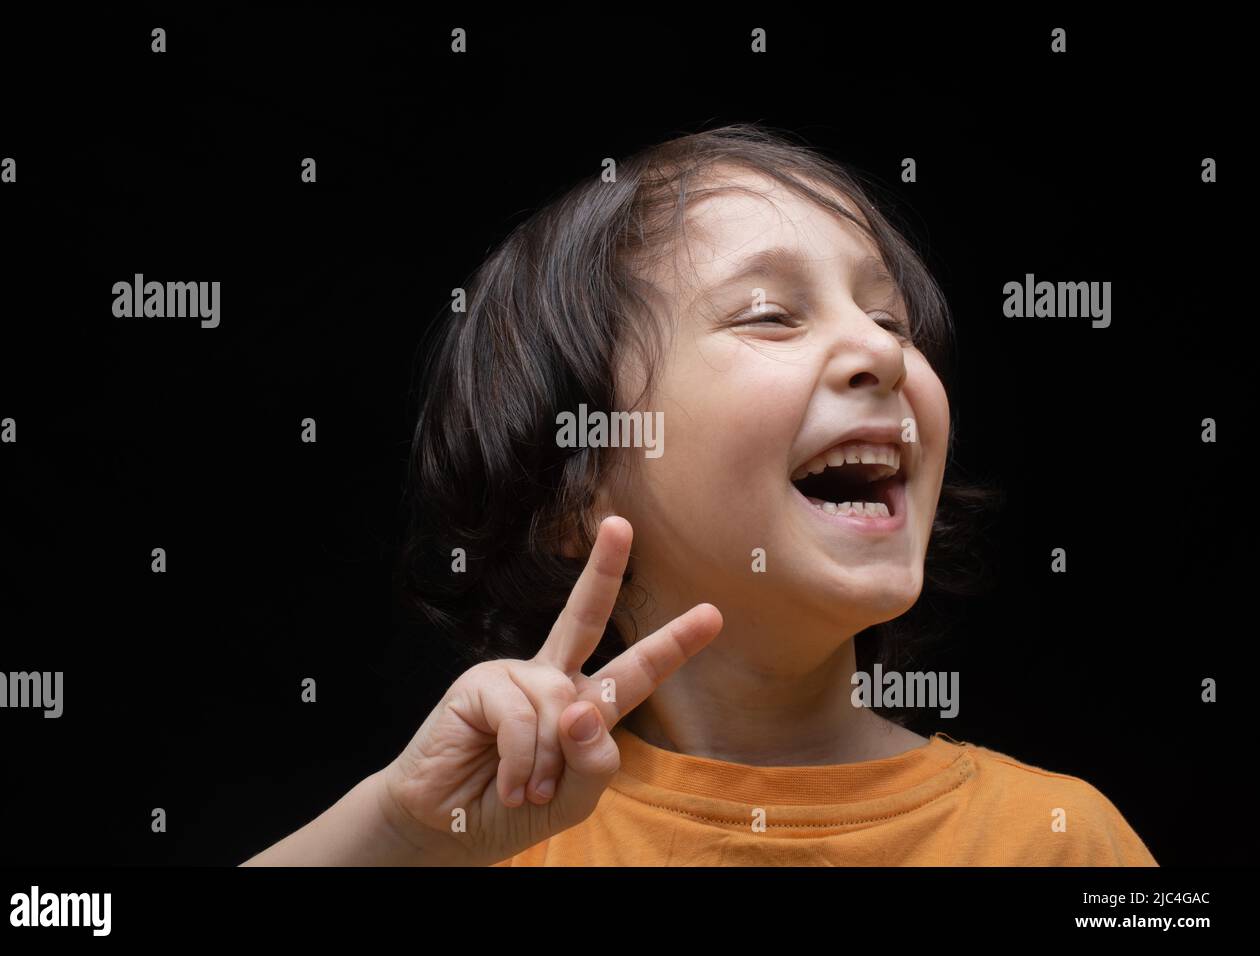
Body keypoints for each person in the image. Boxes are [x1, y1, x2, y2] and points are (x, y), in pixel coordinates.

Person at [242, 123, 1157, 866]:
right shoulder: (498, 836)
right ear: (579, 483)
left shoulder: (1062, 841)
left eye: (889, 320)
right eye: (770, 315)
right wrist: (399, 835)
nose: (882, 352)